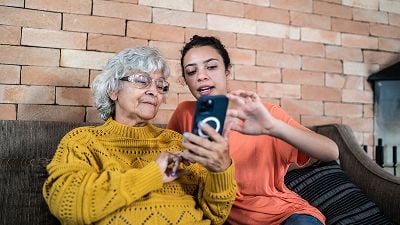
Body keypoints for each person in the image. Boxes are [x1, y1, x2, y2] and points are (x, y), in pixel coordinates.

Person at [42, 47, 237, 225]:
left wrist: (221, 170)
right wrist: (152, 174)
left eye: (160, 85)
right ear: (113, 90)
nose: (154, 91)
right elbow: (67, 204)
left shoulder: (175, 142)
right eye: (142, 81)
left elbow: (216, 215)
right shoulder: (83, 141)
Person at [167, 35, 339, 225]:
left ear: (227, 71)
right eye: (191, 71)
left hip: (282, 216)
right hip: (219, 213)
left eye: (211, 66)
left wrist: (273, 127)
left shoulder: (264, 114)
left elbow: (331, 151)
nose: (200, 76)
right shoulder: (184, 114)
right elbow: (169, 164)